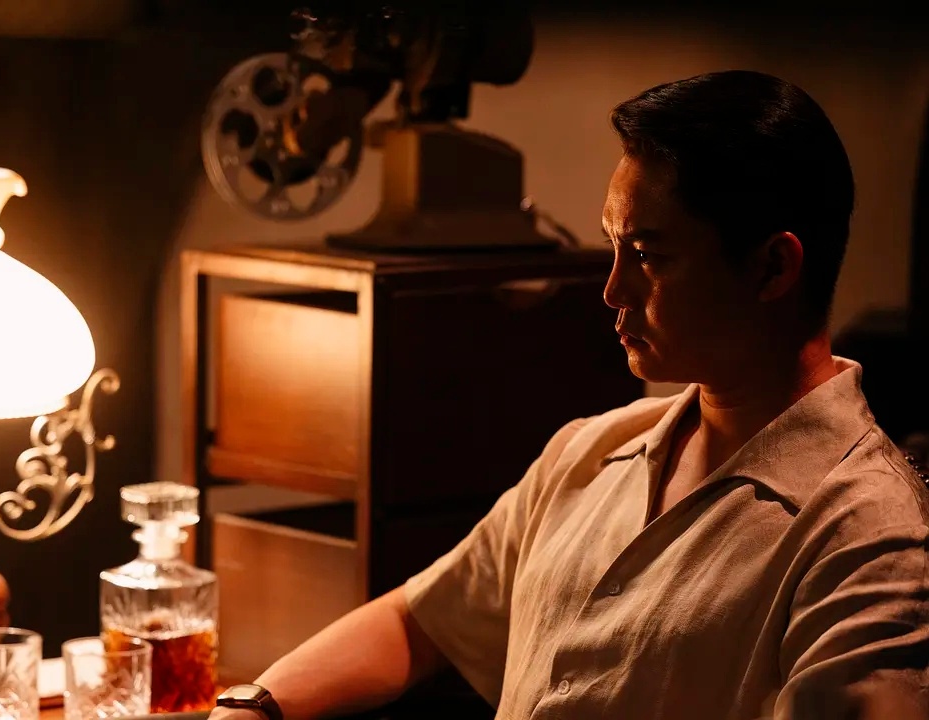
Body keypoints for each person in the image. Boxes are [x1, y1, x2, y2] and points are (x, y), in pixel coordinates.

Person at [209, 70, 929, 720]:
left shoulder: (867, 539)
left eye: (646, 255)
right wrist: (254, 706)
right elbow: (419, 621)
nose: (612, 290)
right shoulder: (591, 452)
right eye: (612, 247)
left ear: (772, 267)